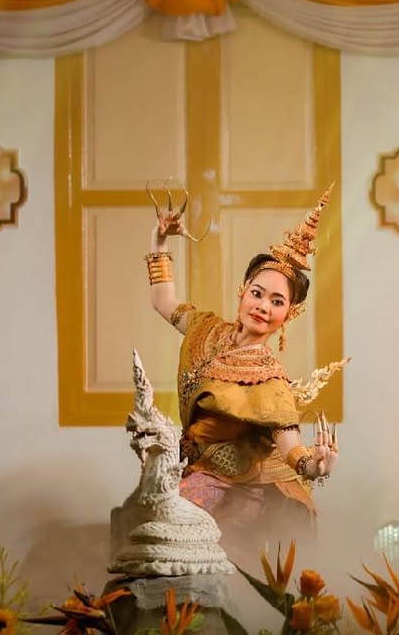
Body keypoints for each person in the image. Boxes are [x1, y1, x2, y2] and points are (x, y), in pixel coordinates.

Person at [142, 185, 343, 552]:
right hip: (194, 471)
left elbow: (289, 443)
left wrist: (314, 467)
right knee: (151, 516)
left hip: (239, 490)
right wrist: (159, 240)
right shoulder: (205, 329)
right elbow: (162, 300)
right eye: (257, 293)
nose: (263, 306)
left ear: (289, 314)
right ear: (243, 290)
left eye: (277, 301)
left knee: (168, 524)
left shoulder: (269, 378)